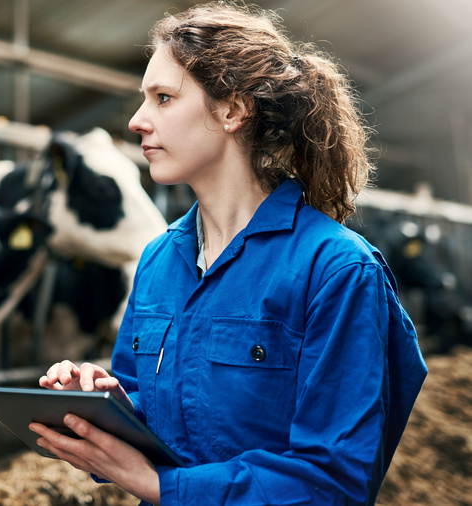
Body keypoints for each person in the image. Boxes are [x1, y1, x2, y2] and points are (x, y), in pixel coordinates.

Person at [29, 2, 428, 505]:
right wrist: (104, 402)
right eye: (143, 99)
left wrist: (155, 484)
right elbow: (153, 414)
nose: (136, 121)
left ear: (233, 111)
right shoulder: (157, 261)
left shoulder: (337, 269)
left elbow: (334, 483)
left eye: (163, 98)